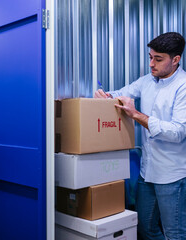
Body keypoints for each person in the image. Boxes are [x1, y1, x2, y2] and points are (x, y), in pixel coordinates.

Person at [95, 32, 186, 240]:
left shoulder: (183, 86)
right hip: (147, 172)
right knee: (145, 228)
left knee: (175, 233)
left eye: (158, 59)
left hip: (172, 175)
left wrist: (135, 114)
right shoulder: (147, 81)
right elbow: (122, 93)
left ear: (176, 60)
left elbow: (178, 132)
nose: (151, 64)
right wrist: (105, 96)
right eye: (150, 57)